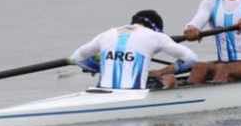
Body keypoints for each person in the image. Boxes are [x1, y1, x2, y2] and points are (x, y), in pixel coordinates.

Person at [69, 9, 197, 90]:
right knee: (169, 78)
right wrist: (161, 71)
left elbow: (76, 58)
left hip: (100, 92)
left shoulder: (107, 34)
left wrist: (100, 65)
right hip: (134, 95)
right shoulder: (156, 36)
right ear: (156, 28)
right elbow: (192, 59)